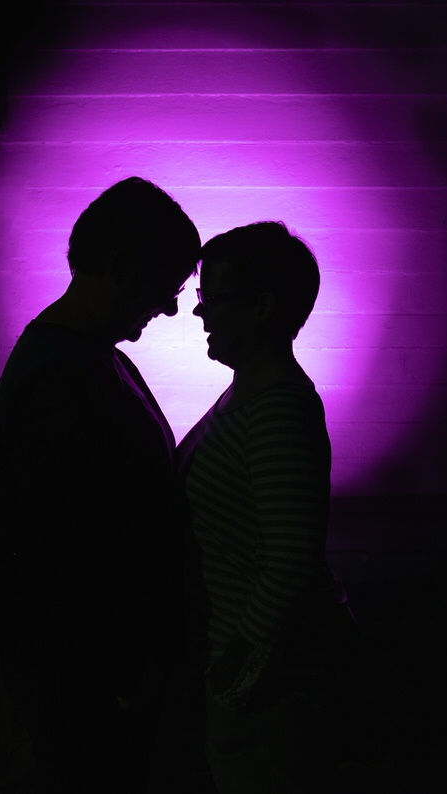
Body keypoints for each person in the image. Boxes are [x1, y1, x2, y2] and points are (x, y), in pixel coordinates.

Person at [0, 177, 200, 792]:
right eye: (168, 285)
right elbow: (64, 559)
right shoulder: (65, 380)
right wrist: (125, 679)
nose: (169, 307)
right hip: (91, 695)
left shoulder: (79, 360)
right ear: (122, 266)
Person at [173, 221, 358, 793]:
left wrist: (235, 665)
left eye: (212, 299)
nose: (199, 314)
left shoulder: (278, 410)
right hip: (261, 675)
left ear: (261, 307)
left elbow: (290, 562)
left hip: (275, 684)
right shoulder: (249, 396)